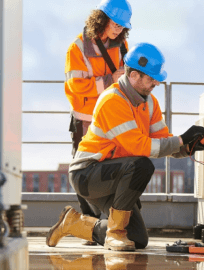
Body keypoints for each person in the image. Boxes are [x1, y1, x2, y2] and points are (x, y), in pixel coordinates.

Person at [47, 43, 204, 251]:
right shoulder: (112, 100)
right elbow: (138, 146)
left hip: (115, 175)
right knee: (142, 165)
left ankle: (73, 223)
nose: (156, 83)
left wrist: (189, 147)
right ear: (134, 75)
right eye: (151, 78)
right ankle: (114, 234)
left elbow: (162, 140)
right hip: (88, 173)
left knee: (137, 239)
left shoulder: (149, 102)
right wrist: (180, 140)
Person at [64, 0, 132, 225]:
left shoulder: (123, 45)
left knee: (112, 167)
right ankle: (87, 223)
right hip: (85, 120)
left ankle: (109, 223)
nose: (118, 29)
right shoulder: (78, 47)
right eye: (115, 24)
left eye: (122, 26)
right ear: (101, 19)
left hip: (111, 119)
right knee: (83, 171)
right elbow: (76, 86)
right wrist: (110, 80)